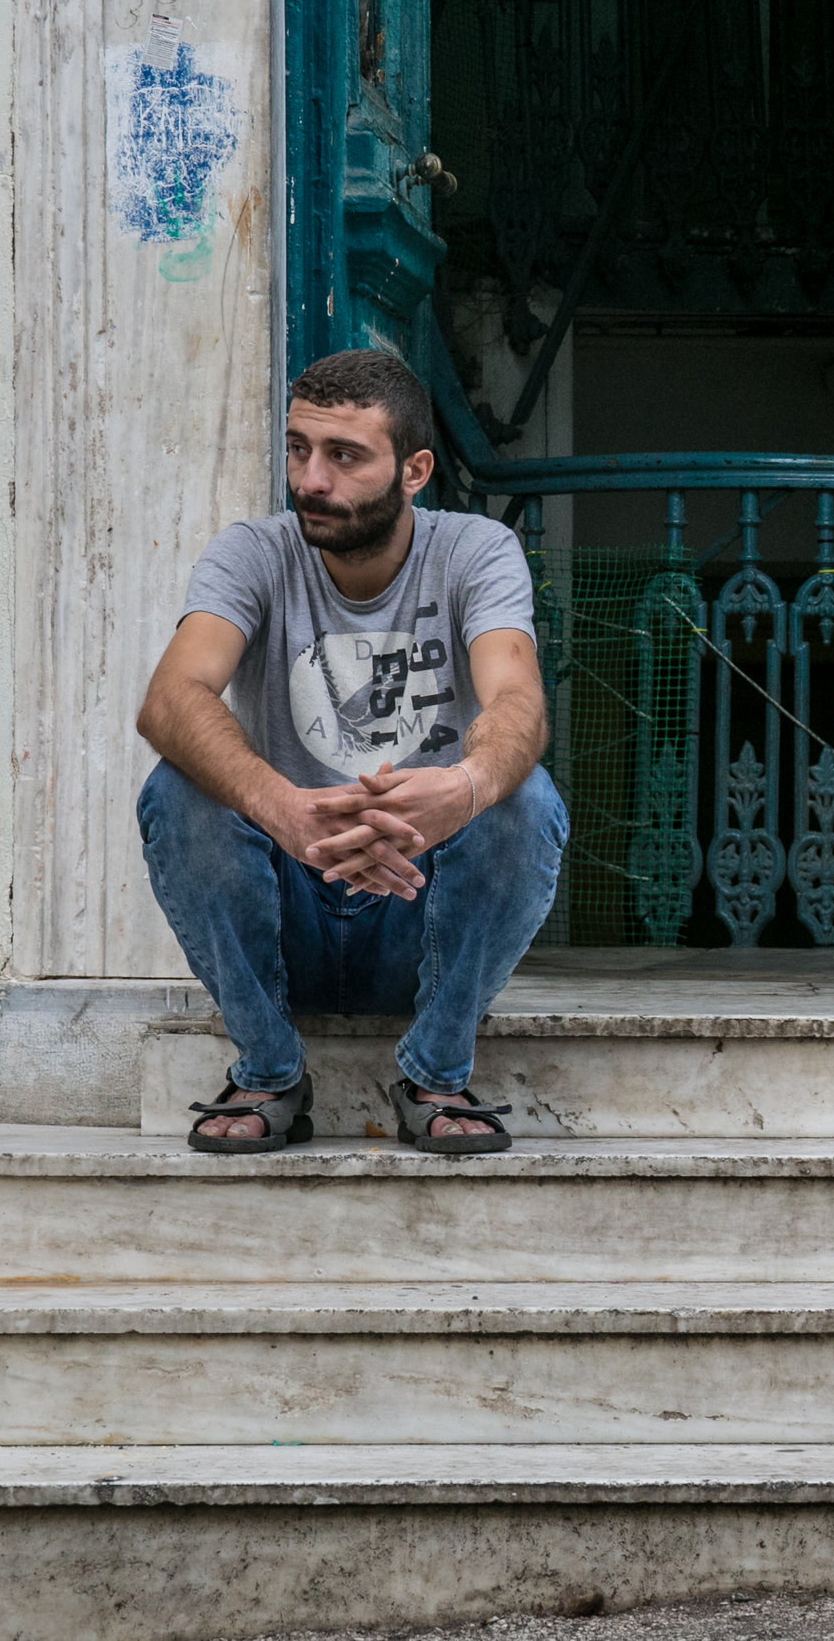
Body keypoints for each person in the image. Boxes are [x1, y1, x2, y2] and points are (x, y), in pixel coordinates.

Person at [136, 348, 567, 1156]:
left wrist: (461, 791)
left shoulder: (474, 551)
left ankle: (436, 1071)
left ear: (416, 469)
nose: (312, 480)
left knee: (526, 799)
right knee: (176, 790)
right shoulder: (254, 553)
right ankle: (268, 1071)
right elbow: (171, 699)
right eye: (299, 449)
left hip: (418, 906)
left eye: (344, 456)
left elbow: (517, 701)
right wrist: (288, 811)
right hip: (288, 902)